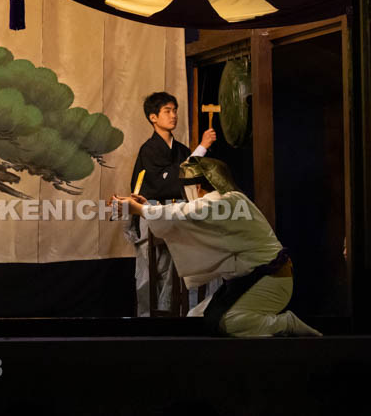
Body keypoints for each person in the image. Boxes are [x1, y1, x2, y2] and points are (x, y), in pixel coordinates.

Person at [111, 157, 321, 337]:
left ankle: (286, 324)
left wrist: (140, 209)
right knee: (196, 318)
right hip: (248, 281)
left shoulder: (227, 203)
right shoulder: (226, 202)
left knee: (229, 323)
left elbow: (183, 213)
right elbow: (184, 213)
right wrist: (146, 207)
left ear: (199, 187)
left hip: (270, 280)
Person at [126, 92, 216, 316]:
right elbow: (166, 182)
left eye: (175, 110)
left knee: (175, 270)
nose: (173, 115)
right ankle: (147, 319)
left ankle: (174, 316)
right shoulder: (149, 150)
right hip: (154, 211)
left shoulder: (182, 150)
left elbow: (191, 177)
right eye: (167, 111)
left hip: (177, 214)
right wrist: (202, 147)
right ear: (153, 117)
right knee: (150, 270)